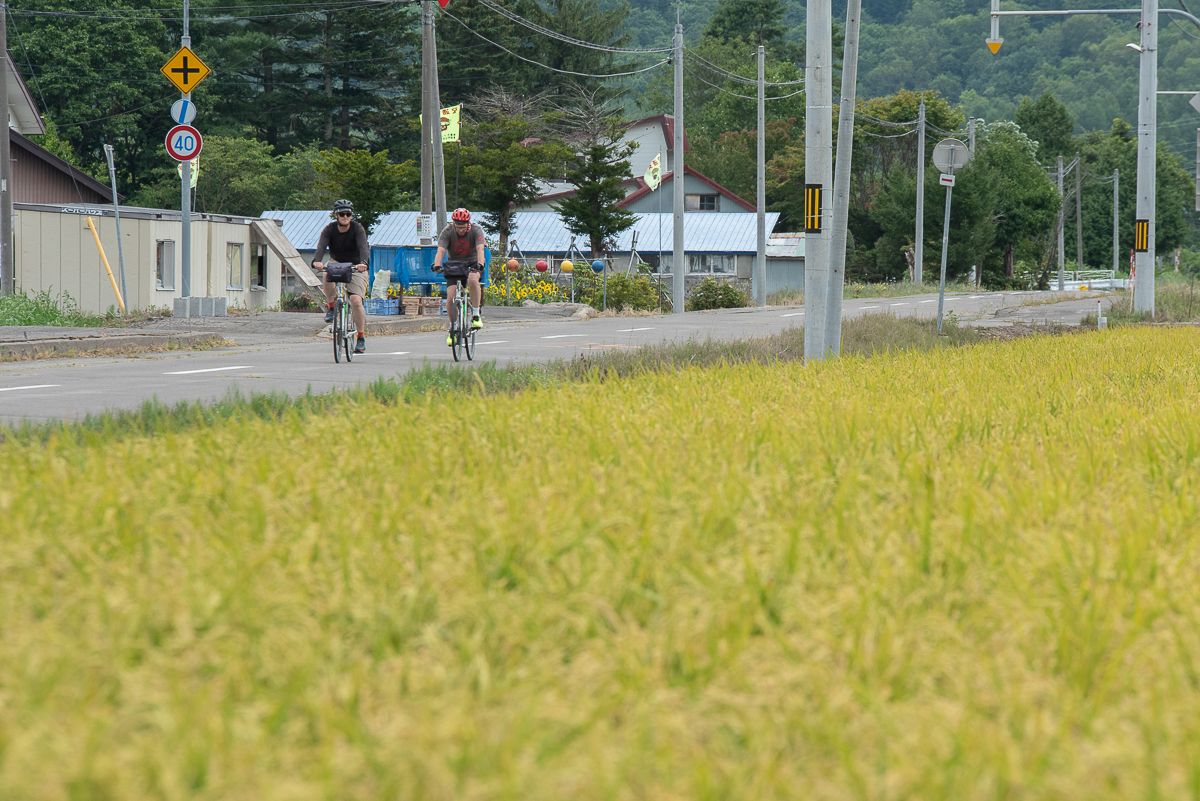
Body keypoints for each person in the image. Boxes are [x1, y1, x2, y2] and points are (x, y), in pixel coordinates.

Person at [311, 199, 370, 354]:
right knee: (326, 273)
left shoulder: (357, 229)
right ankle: (331, 307)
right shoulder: (329, 229)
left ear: (351, 215)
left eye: (348, 214)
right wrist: (317, 260)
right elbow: (321, 246)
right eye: (342, 214)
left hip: (356, 265)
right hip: (337, 262)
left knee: (356, 300)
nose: (345, 216)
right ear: (336, 215)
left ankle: (361, 337)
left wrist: (364, 262)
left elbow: (364, 247)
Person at [432, 207, 486, 347]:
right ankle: (453, 327)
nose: (461, 230)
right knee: (450, 298)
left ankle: (475, 314)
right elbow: (441, 250)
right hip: (454, 264)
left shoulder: (476, 230)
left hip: (473, 262)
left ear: (468, 223)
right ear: (454, 224)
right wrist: (437, 264)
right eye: (458, 227)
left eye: (463, 227)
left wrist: (480, 264)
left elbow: (480, 249)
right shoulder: (448, 231)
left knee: (473, 280)